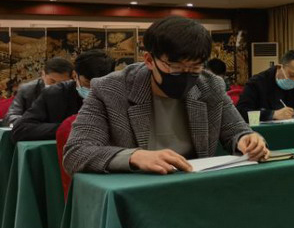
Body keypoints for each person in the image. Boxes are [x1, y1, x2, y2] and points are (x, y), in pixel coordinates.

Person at [63, 16, 268, 175]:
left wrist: (247, 140)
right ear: (149, 60)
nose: (186, 75)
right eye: (175, 67)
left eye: (195, 67)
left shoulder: (210, 85)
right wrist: (134, 157)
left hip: (193, 185)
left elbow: (235, 131)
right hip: (136, 191)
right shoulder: (110, 89)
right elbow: (76, 152)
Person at [12, 50, 114, 142]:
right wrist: (67, 128)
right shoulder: (54, 94)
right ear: (75, 75)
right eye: (87, 83)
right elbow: (20, 129)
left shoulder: (115, 95)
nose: (93, 89)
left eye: (101, 84)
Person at [236, 50, 294, 121]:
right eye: (291, 75)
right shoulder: (257, 82)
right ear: (279, 67)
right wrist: (272, 114)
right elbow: (241, 111)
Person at [2, 56, 73, 127]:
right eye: (52, 81)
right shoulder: (27, 89)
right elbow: (11, 117)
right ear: (43, 75)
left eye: (62, 83)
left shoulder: (73, 90)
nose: (56, 86)